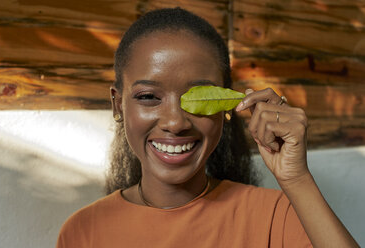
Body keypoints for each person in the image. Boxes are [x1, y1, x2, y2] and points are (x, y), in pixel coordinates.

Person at [56, 8, 359, 247]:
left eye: (197, 99)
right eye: (148, 97)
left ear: (224, 104)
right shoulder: (83, 231)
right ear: (117, 105)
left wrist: (297, 179)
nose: (175, 122)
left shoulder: (276, 216)